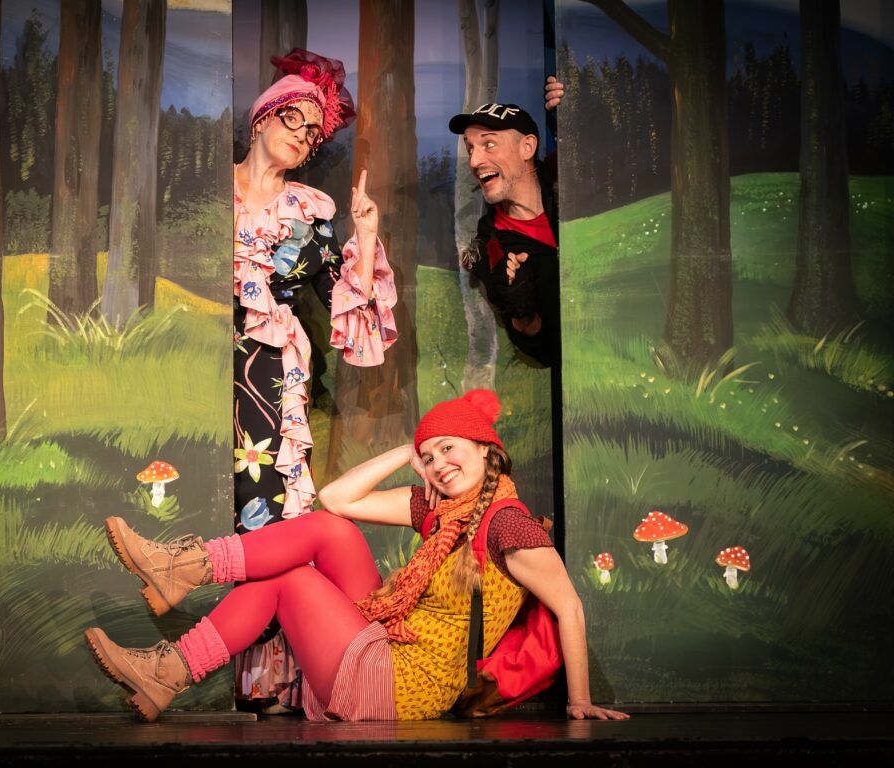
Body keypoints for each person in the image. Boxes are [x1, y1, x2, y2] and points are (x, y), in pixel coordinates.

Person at [84, 389, 629, 723]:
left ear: (487, 450)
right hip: (389, 639)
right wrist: (404, 452)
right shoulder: (440, 511)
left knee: (291, 581)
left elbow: (569, 607)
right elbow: (337, 499)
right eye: (429, 456)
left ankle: (172, 649)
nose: (439, 465)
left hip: (403, 686)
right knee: (331, 530)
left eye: (449, 449)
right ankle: (180, 580)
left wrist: (578, 701)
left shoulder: (508, 524)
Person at [230, 49, 398, 711]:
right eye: (293, 120)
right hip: (204, 360)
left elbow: (344, 302)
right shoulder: (209, 192)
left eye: (314, 132)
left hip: (270, 374)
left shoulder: (308, 213)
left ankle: (265, 683)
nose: (303, 136)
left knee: (266, 513)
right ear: (262, 118)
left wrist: (366, 234)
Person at [448, 76, 565, 367]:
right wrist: (524, 318)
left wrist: (571, 109)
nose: (474, 161)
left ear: (527, 147)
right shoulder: (492, 248)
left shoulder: (567, 177)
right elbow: (544, 353)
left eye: (488, 144)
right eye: (471, 148)